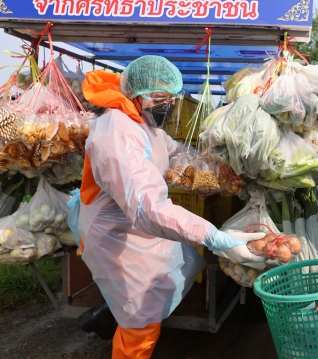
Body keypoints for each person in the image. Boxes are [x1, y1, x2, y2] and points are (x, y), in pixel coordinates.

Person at [72, 55, 264, 359]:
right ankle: (124, 332)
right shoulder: (116, 133)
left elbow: (173, 153)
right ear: (136, 93)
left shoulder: (143, 122)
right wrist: (215, 237)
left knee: (168, 279)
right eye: (159, 98)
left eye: (171, 98)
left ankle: (111, 312)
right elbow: (148, 207)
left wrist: (212, 170)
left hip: (136, 232)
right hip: (117, 238)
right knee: (141, 323)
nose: (167, 105)